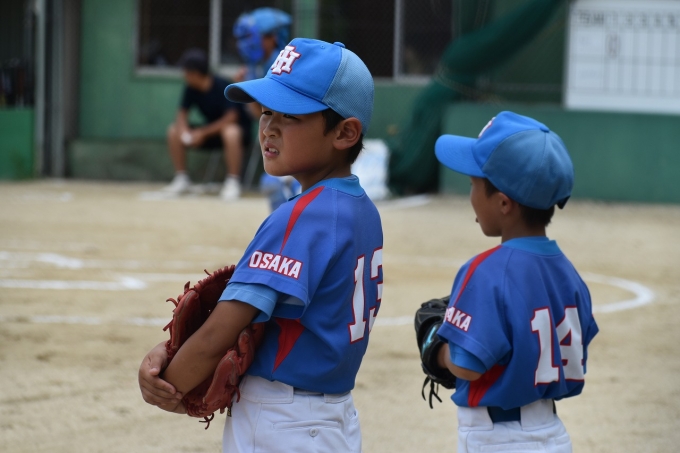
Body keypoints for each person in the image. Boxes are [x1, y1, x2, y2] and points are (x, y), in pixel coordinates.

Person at [138, 38, 380, 453]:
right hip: (333, 417)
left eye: (290, 115)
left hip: (281, 422)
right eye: (267, 111)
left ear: (345, 133)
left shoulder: (300, 215)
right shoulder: (363, 209)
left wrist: (168, 384)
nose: (269, 127)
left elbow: (219, 332)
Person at [431, 111, 598, 452]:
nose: (471, 195)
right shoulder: (570, 274)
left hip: (497, 439)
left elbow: (466, 365)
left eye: (473, 185)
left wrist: (437, 348)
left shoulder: (486, 270)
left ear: (504, 203)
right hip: (552, 434)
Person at [233, 8, 301, 210]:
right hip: (282, 137)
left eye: (253, 38)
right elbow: (260, 114)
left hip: (298, 137)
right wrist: (246, 88)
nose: (247, 44)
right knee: (272, 183)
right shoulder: (258, 66)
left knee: (274, 183)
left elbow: (278, 115)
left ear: (273, 38)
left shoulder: (281, 65)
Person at [164, 49, 251, 201]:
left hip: (236, 134)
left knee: (231, 131)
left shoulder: (222, 85)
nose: (184, 75)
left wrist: (202, 133)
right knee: (173, 130)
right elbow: (182, 115)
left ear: (195, 73)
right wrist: (184, 132)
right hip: (209, 133)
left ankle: (233, 182)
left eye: (186, 72)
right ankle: (181, 179)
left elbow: (231, 118)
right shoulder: (190, 88)